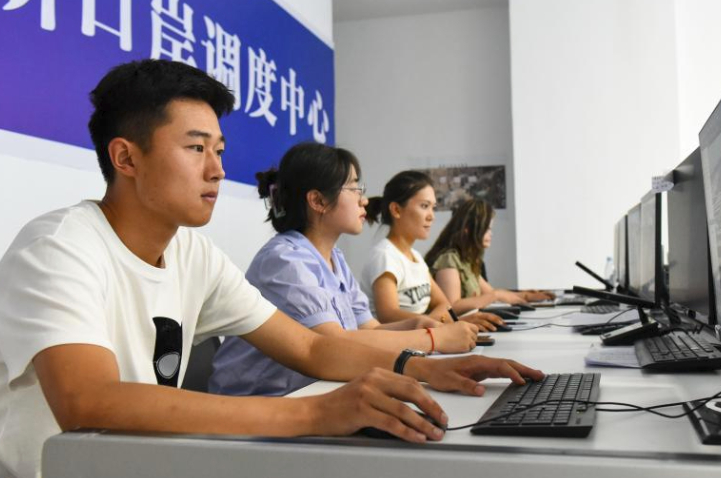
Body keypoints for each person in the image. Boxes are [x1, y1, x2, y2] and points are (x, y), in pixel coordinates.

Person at [0, 60, 545, 478]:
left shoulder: (194, 254)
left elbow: (310, 348)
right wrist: (315, 414)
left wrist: (416, 367)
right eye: (196, 148)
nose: (217, 170)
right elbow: (88, 402)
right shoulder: (58, 248)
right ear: (126, 158)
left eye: (219, 149)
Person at [209, 145, 480, 397]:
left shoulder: (334, 259)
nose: (364, 201)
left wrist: (416, 324)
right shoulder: (285, 260)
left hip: (312, 393)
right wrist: (433, 339)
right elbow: (335, 345)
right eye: (354, 188)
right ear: (318, 201)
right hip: (261, 404)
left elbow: (371, 327)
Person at [361, 171, 505, 331]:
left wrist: (443, 322)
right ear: (396, 210)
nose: (431, 216)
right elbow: (388, 315)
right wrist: (440, 324)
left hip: (422, 338)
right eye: (424, 206)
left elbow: (444, 304)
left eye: (433, 207)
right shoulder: (385, 256)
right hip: (396, 348)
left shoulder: (415, 257)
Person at [425, 199, 555, 315]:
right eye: (487, 229)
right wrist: (495, 296)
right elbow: (451, 307)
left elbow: (491, 292)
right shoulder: (449, 260)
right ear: (468, 230)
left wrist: (527, 296)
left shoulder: (466, 261)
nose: (491, 234)